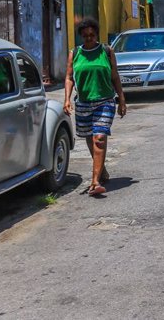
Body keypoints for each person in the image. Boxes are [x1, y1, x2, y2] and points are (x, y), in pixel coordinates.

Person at [63, 18, 127, 196]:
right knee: (90, 140)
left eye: (92, 35)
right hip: (83, 103)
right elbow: (69, 78)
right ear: (81, 37)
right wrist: (66, 99)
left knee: (99, 138)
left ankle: (94, 181)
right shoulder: (74, 53)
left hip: (105, 101)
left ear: (97, 34)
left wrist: (121, 98)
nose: (89, 38)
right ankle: (102, 171)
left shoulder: (107, 51)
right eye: (85, 36)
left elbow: (115, 76)